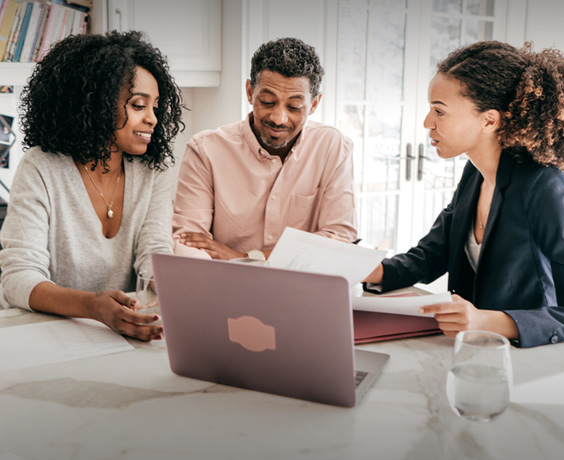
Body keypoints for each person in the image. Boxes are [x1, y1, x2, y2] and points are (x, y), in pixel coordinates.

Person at [364, 41, 564, 348]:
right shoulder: (475, 174)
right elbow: (432, 254)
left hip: (528, 357)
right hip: (473, 351)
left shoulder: (543, 186)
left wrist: (488, 321)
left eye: (439, 111)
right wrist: (369, 269)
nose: (427, 123)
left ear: (489, 120)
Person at [0, 31, 185, 341]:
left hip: (124, 331)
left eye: (155, 107)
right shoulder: (41, 167)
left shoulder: (154, 170)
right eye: (139, 106)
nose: (153, 119)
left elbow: (154, 251)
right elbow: (18, 279)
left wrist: (168, 284)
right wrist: (93, 306)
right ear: (96, 103)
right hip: (49, 335)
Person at [172, 37, 357, 260]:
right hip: (225, 286)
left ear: (314, 104)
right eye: (268, 101)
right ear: (250, 92)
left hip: (303, 288)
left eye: (294, 107)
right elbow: (188, 242)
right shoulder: (205, 151)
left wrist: (246, 257)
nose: (279, 118)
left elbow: (340, 240)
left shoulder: (334, 148)